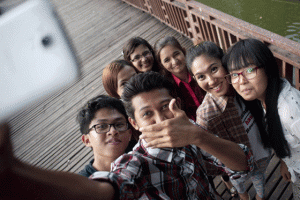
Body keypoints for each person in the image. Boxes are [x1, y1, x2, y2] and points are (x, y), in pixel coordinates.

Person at [0, 72, 253, 200]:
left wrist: (199, 136)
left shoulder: (191, 141)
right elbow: (107, 190)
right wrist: (12, 171)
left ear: (178, 106)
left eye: (165, 107)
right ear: (134, 124)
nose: (161, 120)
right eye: (147, 114)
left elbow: (244, 163)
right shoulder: (135, 163)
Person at [186, 41, 271, 200]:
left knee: (260, 185)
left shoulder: (245, 86)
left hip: (261, 156)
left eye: (214, 69)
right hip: (235, 169)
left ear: (225, 64)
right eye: (201, 77)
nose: (211, 81)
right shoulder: (205, 114)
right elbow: (209, 159)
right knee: (240, 187)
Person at [223, 38, 300, 199]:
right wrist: (285, 162)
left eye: (250, 70)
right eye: (235, 74)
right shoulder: (262, 98)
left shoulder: (289, 111)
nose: (241, 81)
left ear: (268, 68)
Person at [78, 95, 137, 177]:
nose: (113, 131)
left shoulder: (146, 164)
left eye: (119, 124)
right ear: (87, 140)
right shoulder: (83, 184)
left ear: (129, 133)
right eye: (102, 126)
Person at [154, 36, 205, 121]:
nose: (174, 61)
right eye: (167, 60)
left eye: (176, 54)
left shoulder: (200, 69)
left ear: (183, 51)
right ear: (162, 65)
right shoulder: (167, 88)